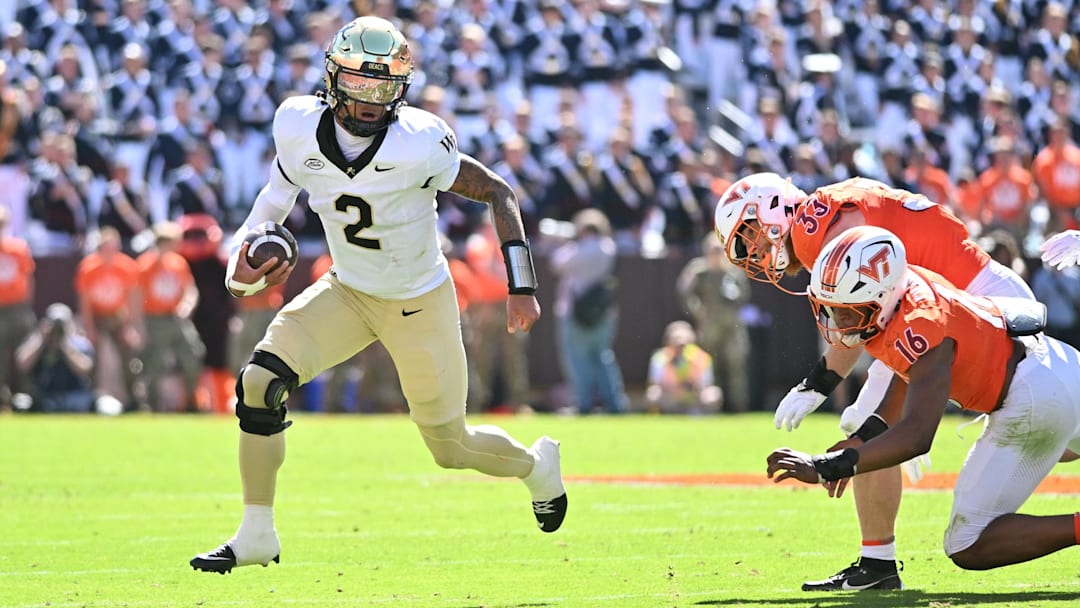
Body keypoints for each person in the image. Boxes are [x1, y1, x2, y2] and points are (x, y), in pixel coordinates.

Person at [190, 17, 566, 575]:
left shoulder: (420, 140)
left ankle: (537, 468)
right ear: (333, 78)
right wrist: (241, 256)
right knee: (260, 382)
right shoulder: (296, 125)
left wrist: (522, 285)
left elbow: (498, 190)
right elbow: (272, 201)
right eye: (361, 84)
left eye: (384, 86)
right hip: (348, 291)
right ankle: (256, 533)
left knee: (449, 447)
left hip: (419, 301)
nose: (371, 100)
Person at [714, 173, 1035, 591]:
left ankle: (877, 566)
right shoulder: (822, 217)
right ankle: (877, 564)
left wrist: (819, 382)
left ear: (775, 208)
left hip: (976, 307)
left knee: (867, 426)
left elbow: (858, 315)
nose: (755, 251)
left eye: (752, 234)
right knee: (1057, 438)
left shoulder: (820, 229)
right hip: (956, 308)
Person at [767, 225, 1080, 573]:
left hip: (1036, 397)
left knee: (967, 543)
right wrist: (862, 440)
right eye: (830, 308)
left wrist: (827, 467)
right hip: (1060, 365)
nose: (836, 321)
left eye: (846, 311)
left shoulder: (920, 322)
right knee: (1060, 451)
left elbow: (917, 436)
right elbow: (904, 382)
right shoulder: (903, 292)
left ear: (881, 297)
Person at [549, 208, 629, 415]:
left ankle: (583, 403)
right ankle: (615, 403)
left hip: (576, 312)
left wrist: (568, 243)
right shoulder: (608, 247)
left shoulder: (579, 249)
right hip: (603, 312)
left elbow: (556, 263)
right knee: (603, 358)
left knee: (577, 359)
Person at [15, 303, 95, 413]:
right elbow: (22, 365)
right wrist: (42, 342)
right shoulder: (38, 342)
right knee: (22, 402)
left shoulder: (79, 343)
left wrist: (65, 346)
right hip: (45, 396)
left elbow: (85, 369)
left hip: (74, 395)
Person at [644, 320, 721, 415]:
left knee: (713, 394)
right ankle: (659, 417)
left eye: (684, 343)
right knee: (653, 394)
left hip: (693, 397)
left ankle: (703, 418)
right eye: (676, 341)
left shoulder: (702, 358)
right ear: (668, 341)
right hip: (670, 397)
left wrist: (691, 387)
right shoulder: (660, 358)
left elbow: (705, 385)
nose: (680, 347)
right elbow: (654, 384)